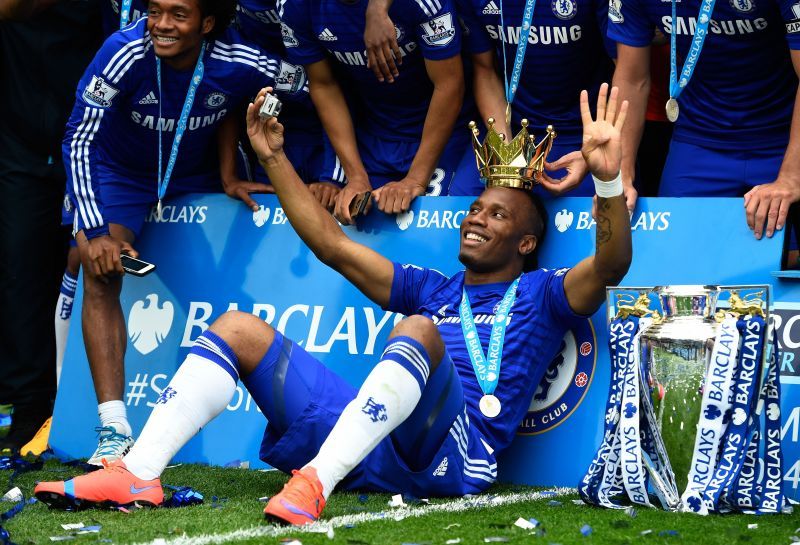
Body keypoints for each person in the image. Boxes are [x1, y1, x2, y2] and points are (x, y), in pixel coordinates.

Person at [34, 83, 632, 524]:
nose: (476, 218)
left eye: (497, 215)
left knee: (420, 330)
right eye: (476, 208)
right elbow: (332, 245)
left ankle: (314, 482)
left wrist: (606, 180)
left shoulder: (543, 293)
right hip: (374, 444)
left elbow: (609, 265)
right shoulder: (437, 287)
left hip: (453, 456)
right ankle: (138, 473)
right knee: (236, 328)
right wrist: (272, 157)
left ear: (526, 243)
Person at [63, 0, 305, 466]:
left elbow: (312, 82)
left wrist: (232, 169)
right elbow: (79, 136)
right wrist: (92, 230)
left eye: (178, 14)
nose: (162, 25)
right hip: (122, 174)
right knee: (98, 267)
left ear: (208, 23)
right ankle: (114, 430)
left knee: (232, 287)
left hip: (196, 177)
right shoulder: (123, 51)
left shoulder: (239, 58)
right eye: (155, 11)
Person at [0, 0, 102, 454]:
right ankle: (30, 407)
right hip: (17, 147)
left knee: (92, 265)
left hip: (89, 145)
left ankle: (85, 403)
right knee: (20, 271)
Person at [610, 0, 800, 239]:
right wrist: (620, 176)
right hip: (698, 137)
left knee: (786, 260)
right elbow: (631, 79)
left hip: (782, 138)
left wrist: (792, 177)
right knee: (673, 249)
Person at [278, 0, 471, 224]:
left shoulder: (421, 4)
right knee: (357, 231)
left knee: (441, 233)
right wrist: (356, 177)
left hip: (446, 138)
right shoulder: (293, 6)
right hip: (375, 138)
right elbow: (324, 85)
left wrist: (415, 179)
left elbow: (449, 84)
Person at [449, 0, 620, 201]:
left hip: (582, 131)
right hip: (511, 124)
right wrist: (505, 148)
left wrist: (599, 146)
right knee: (463, 204)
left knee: (595, 213)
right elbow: (484, 69)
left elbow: (628, 73)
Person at [235, 0, 334, 210]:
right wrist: (228, 177)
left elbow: (337, 90)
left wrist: (333, 176)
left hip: (331, 133)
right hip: (271, 133)